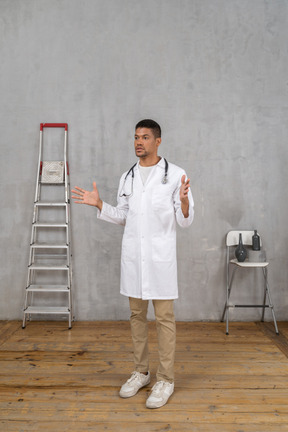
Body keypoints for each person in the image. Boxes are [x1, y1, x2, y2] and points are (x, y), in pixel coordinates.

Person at [72, 119, 194, 409]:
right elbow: (124, 216)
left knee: (164, 319)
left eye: (145, 137)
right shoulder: (127, 177)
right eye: (136, 137)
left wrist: (185, 204)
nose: (139, 142)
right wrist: (100, 205)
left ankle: (166, 379)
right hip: (134, 259)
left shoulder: (175, 175)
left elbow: (185, 220)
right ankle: (141, 372)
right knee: (137, 317)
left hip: (160, 260)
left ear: (158, 141)